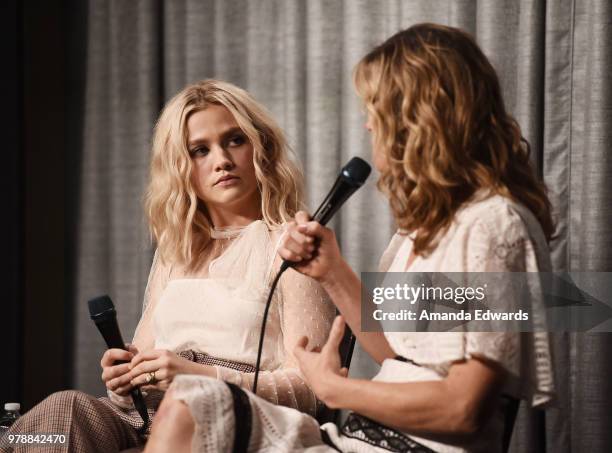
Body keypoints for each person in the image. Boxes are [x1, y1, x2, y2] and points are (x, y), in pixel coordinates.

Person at [143, 23, 555, 453]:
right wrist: (332, 271)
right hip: (356, 440)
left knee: (195, 400)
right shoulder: (423, 231)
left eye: (377, 109)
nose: (368, 124)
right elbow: (394, 353)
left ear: (422, 118)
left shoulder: (494, 226)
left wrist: (335, 390)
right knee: (193, 405)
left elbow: (465, 411)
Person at [4, 80, 334, 452]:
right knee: (62, 411)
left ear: (262, 147)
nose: (222, 160)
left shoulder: (294, 246)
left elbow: (312, 390)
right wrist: (125, 379)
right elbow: (138, 382)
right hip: (150, 417)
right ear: (180, 167)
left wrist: (197, 377)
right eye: (200, 150)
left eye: (235, 140)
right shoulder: (176, 253)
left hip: (237, 418)